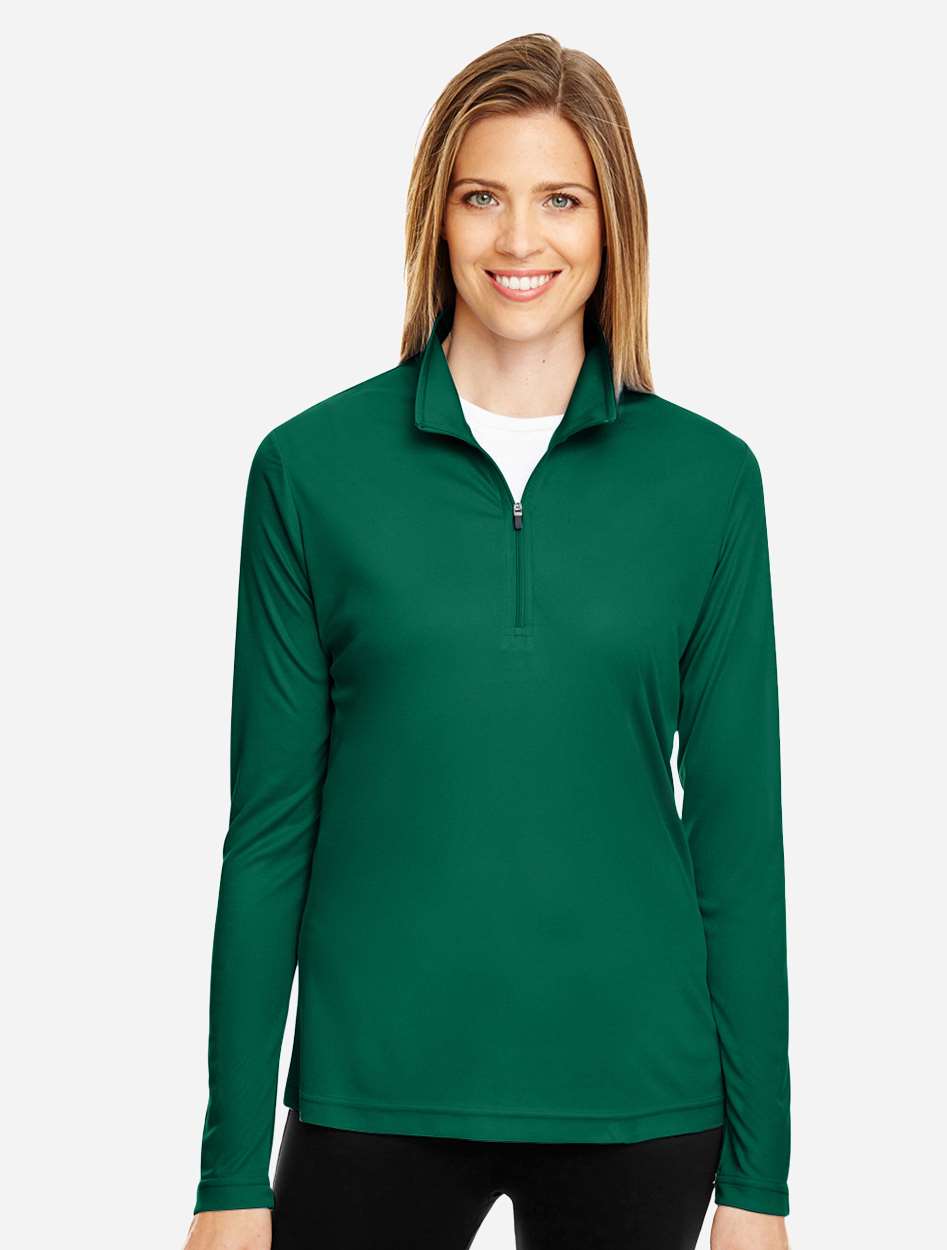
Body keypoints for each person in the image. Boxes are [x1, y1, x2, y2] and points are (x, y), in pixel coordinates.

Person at [183, 32, 792, 1250]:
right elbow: (267, 835)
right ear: (437, 216)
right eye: (482, 197)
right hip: (372, 1092)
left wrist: (761, 1182)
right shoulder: (310, 470)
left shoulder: (709, 481)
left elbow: (738, 841)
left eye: (560, 198)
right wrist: (228, 1174)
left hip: (641, 1100)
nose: (520, 239)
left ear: (611, 223)